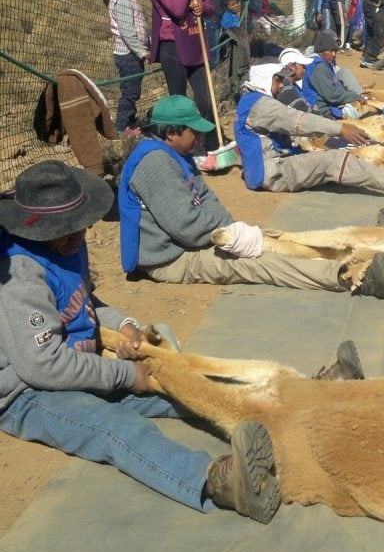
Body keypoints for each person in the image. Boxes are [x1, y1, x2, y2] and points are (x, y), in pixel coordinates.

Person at [0, 160, 281, 522]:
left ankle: (272, 408)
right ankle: (219, 483)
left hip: (81, 365)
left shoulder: (67, 245)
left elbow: (85, 303)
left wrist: (128, 326)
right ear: (32, 229)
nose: (77, 235)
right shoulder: (20, 275)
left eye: (80, 225)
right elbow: (43, 366)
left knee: (179, 387)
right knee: (113, 427)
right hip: (28, 393)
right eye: (65, 229)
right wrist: (127, 376)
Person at [119, 94, 384, 298]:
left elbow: (207, 200)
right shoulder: (155, 164)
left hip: (192, 240)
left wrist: (233, 230)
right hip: (171, 259)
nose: (199, 137)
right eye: (193, 132)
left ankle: (344, 254)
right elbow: (186, 226)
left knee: (272, 239)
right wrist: (231, 237)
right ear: (171, 133)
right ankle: (347, 279)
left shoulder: (175, 155)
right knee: (257, 264)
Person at [236, 63, 384, 198]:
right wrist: (339, 128)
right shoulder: (261, 105)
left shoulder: (250, 102)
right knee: (332, 160)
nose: (282, 85)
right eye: (277, 81)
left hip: (273, 162)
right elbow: (298, 121)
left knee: (330, 154)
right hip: (271, 172)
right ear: (264, 81)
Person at [150, 0, 217, 150]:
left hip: (195, 42)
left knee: (204, 100)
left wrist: (202, 7)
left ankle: (205, 144)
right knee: (179, 102)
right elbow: (176, 9)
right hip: (173, 46)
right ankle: (181, 148)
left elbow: (209, 6)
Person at [104, 0, 149, 138]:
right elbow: (127, 32)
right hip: (129, 55)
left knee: (132, 90)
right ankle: (122, 128)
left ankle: (129, 122)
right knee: (130, 92)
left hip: (131, 53)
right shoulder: (122, 0)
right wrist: (142, 52)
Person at [304, 31, 368, 118]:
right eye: (330, 51)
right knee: (362, 114)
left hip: (325, 101)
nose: (333, 54)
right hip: (322, 111)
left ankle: (360, 96)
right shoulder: (319, 67)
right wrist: (356, 97)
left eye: (335, 51)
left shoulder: (320, 62)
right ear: (320, 51)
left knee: (343, 72)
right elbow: (332, 96)